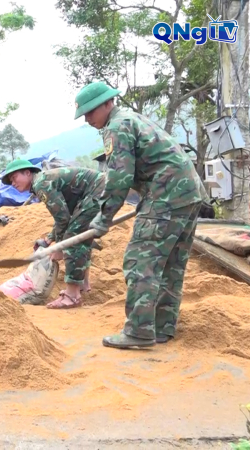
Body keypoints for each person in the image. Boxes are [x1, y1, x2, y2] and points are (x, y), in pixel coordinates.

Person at [76, 81, 207, 349]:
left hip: (167, 194)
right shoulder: (132, 119)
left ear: (107, 103)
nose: (88, 119)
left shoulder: (116, 126)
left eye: (90, 112)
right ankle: (161, 327)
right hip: (187, 193)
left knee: (140, 261)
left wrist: (104, 217)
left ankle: (139, 331)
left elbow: (119, 177)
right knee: (171, 263)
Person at [5, 160, 104, 309]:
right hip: (97, 191)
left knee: (73, 238)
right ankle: (83, 284)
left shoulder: (41, 184)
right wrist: (50, 238)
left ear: (27, 173)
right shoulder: (42, 181)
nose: (12, 183)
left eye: (14, 178)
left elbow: (63, 218)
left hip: (98, 191)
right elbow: (65, 215)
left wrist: (59, 247)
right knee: (81, 235)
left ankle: (72, 296)